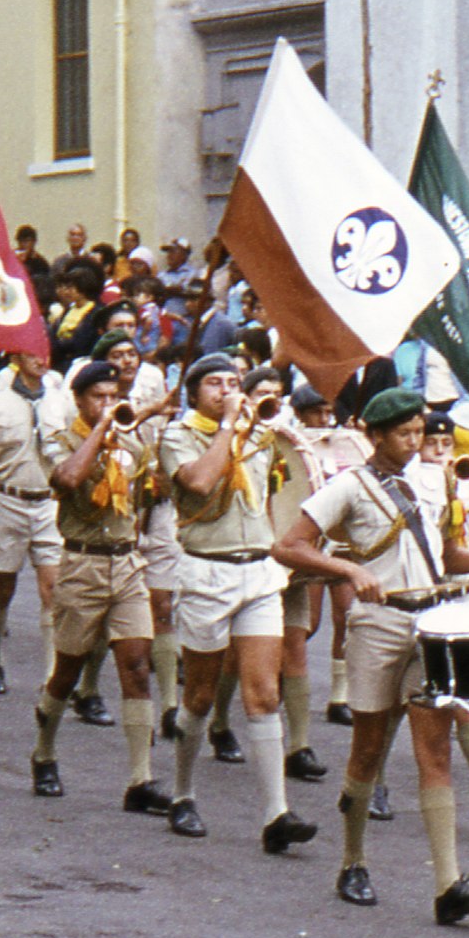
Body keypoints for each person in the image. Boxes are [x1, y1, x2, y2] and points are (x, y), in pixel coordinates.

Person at [273, 388, 469, 924]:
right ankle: (353, 858)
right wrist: (348, 570)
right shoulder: (349, 486)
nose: (416, 442)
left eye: (420, 432)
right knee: (369, 750)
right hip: (379, 622)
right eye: (405, 433)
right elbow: (289, 546)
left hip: (432, 621)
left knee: (434, 750)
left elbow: (447, 553)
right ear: (378, 435)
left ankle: (448, 882)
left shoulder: (432, 482)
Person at [160, 354, 320, 849]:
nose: (227, 390)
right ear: (193, 392)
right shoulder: (177, 436)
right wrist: (229, 425)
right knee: (201, 697)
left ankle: (278, 814)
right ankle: (183, 794)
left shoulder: (259, 435)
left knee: (263, 694)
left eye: (234, 383)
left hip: (257, 571)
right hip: (207, 570)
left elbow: (274, 495)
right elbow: (200, 482)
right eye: (214, 383)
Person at [28, 361, 173, 808]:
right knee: (67, 672)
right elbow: (68, 479)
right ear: (79, 400)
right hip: (82, 564)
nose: (108, 405)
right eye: (98, 398)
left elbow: (152, 491)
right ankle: (44, 752)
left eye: (114, 397)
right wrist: (104, 431)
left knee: (135, 668)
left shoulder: (129, 443)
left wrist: (153, 425)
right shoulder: (62, 440)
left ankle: (140, 780)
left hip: (126, 563)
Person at [0, 348, 68, 695]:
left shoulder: (59, 399)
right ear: (17, 358)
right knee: (3, 588)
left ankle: (53, 675)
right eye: (32, 354)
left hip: (47, 503)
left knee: (52, 589)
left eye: (44, 352)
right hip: (7, 500)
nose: (41, 359)